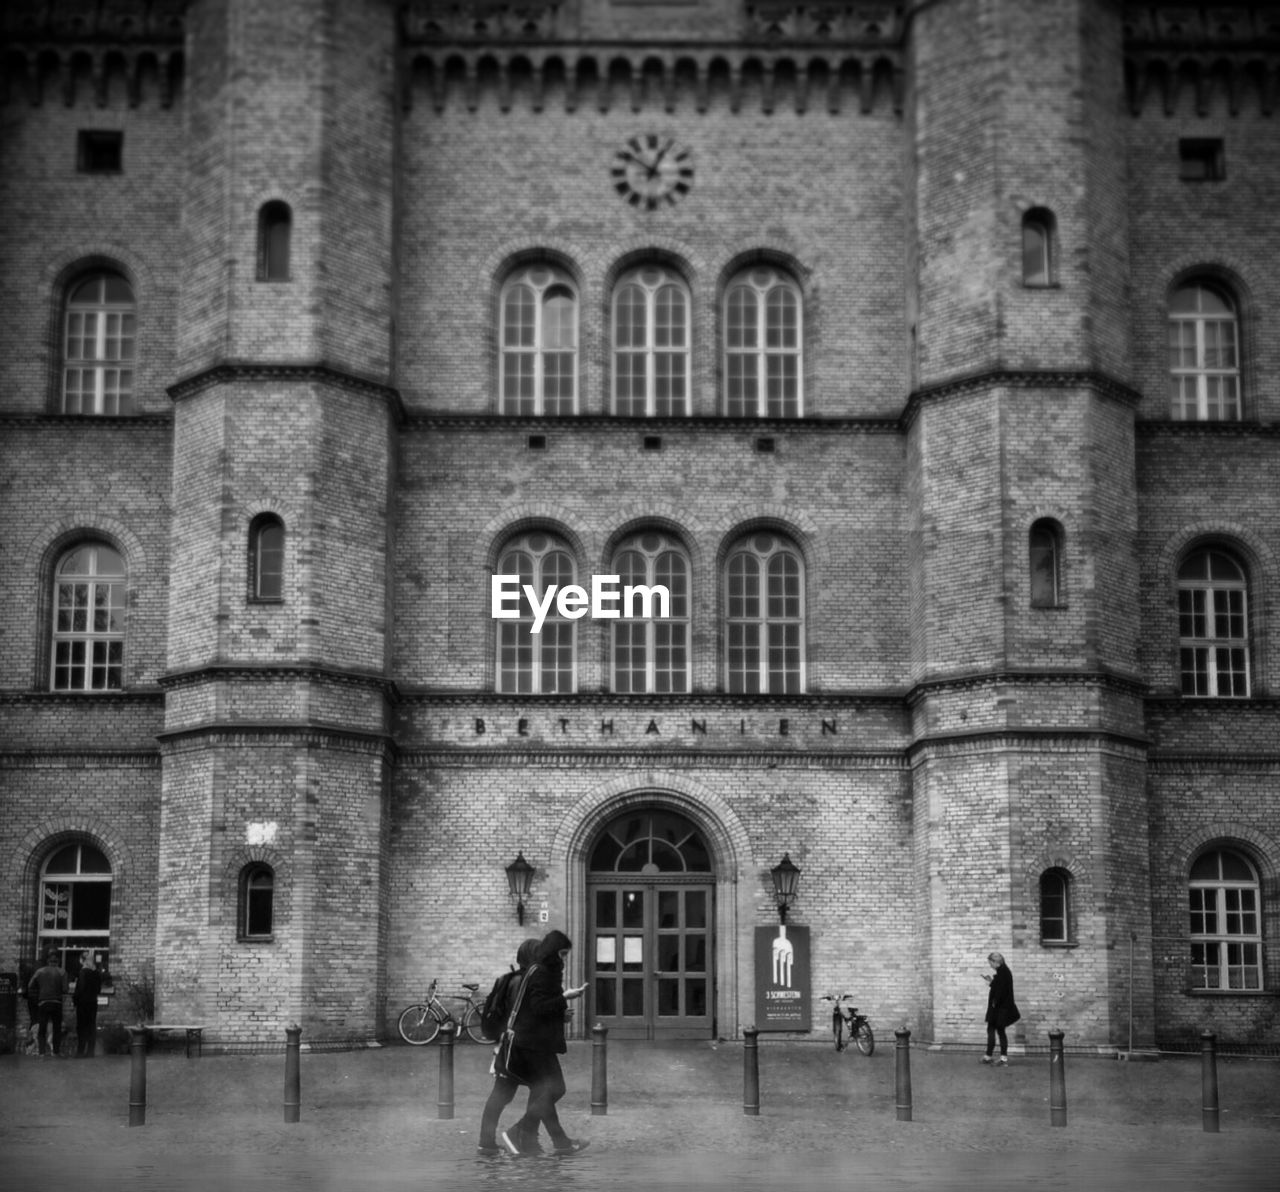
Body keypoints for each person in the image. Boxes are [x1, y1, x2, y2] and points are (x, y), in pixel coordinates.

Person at [500, 929, 590, 1157]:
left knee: (544, 1092)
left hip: (537, 1042)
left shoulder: (542, 971)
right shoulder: (540, 972)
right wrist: (565, 998)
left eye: (566, 954)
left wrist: (561, 1013)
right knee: (555, 1089)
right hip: (532, 1044)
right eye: (562, 953)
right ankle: (518, 1131)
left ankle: (558, 1143)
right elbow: (539, 1007)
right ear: (552, 951)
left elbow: (538, 1008)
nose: (564, 959)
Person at [477, 938, 544, 1156]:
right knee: (543, 1090)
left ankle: (488, 1143)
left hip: (508, 1045)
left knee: (502, 1095)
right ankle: (524, 1137)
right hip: (521, 1048)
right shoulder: (524, 983)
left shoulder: (512, 979)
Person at [980, 951, 1020, 1065]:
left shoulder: (1003, 972)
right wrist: (991, 982)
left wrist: (994, 1002)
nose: (990, 965)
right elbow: (1000, 987)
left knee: (998, 1031)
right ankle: (991, 1056)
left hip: (999, 1008)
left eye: (990, 963)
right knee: (995, 1030)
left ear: (995, 962)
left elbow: (1001, 991)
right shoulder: (1003, 971)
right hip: (999, 1008)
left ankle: (998, 1058)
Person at [28, 950, 69, 1058]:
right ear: (58, 961)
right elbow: (65, 989)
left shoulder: (40, 971)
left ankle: (42, 1052)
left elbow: (30, 985)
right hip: (57, 1003)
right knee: (56, 1028)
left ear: (47, 961)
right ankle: (55, 1052)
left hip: (43, 1002)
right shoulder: (62, 972)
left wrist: (40, 990)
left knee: (42, 1028)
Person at [72, 950, 104, 1058]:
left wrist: (75, 1000)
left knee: (81, 1027)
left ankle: (80, 1051)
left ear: (83, 960)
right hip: (93, 1002)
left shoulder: (83, 972)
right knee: (91, 1026)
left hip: (82, 1003)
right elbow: (99, 989)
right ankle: (90, 1051)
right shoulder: (96, 973)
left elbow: (80, 988)